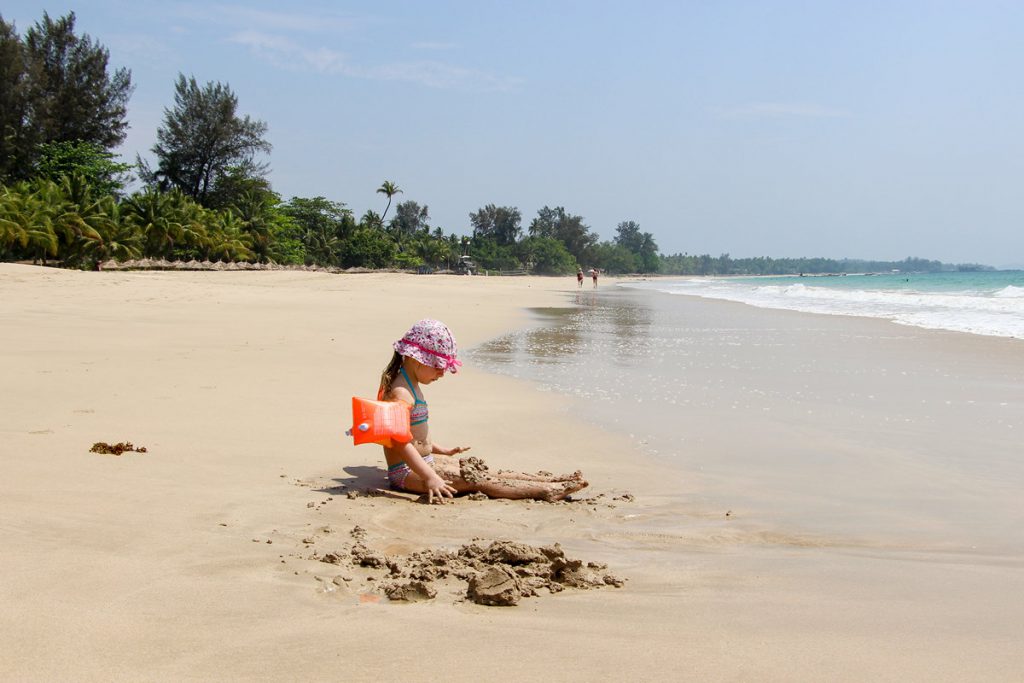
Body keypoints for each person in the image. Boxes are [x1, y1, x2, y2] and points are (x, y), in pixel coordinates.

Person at [378, 319, 588, 504]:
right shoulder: (401, 393)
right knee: (478, 481)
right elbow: (400, 442)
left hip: (424, 463)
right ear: (416, 359)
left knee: (481, 471)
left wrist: (443, 450)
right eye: (438, 366)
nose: (442, 373)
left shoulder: (410, 385)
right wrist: (430, 477)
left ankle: (550, 479)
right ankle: (546, 490)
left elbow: (417, 436)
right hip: (406, 473)